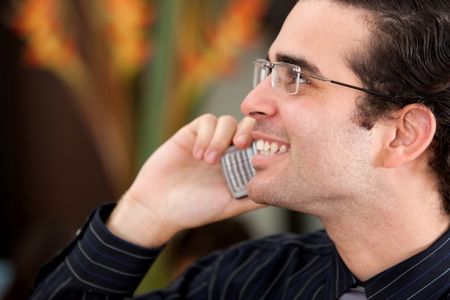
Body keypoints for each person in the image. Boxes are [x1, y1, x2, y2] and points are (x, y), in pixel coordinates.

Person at [30, 0, 450, 299]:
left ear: (404, 134)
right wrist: (143, 215)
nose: (251, 103)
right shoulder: (246, 280)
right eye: (269, 71)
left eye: (296, 77)